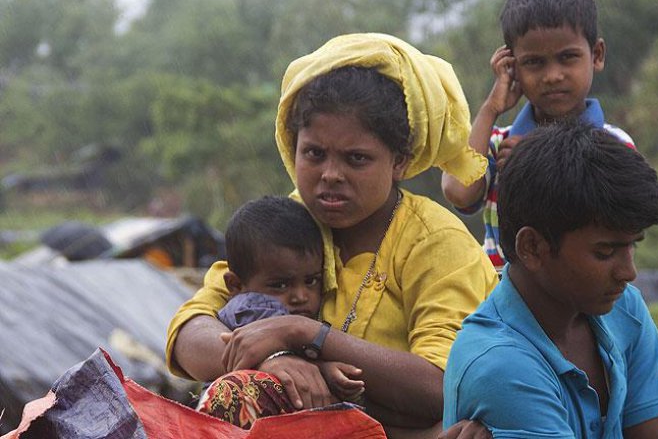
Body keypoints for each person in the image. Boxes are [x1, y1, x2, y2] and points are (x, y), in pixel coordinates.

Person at [165, 33, 498, 438]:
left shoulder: (437, 243)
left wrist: (305, 333)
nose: (330, 175)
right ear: (294, 147)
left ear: (399, 161)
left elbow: (440, 387)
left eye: (356, 159)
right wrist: (273, 362)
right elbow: (189, 331)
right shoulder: (283, 221)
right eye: (314, 154)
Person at [442, 122, 658, 438]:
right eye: (605, 251)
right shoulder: (500, 365)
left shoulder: (625, 310)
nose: (629, 272)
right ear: (532, 247)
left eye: (632, 245)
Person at [441, 0, 635, 271]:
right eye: (534, 62)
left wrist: (535, 163)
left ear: (597, 55)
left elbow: (615, 218)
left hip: (583, 297)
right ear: (512, 67)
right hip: (504, 301)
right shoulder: (498, 143)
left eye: (567, 57)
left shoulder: (613, 143)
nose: (553, 75)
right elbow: (458, 191)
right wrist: (491, 108)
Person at [195, 196, 365, 428]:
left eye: (311, 280)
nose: (300, 296)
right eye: (280, 285)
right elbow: (277, 356)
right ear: (235, 286)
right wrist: (323, 370)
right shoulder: (251, 310)